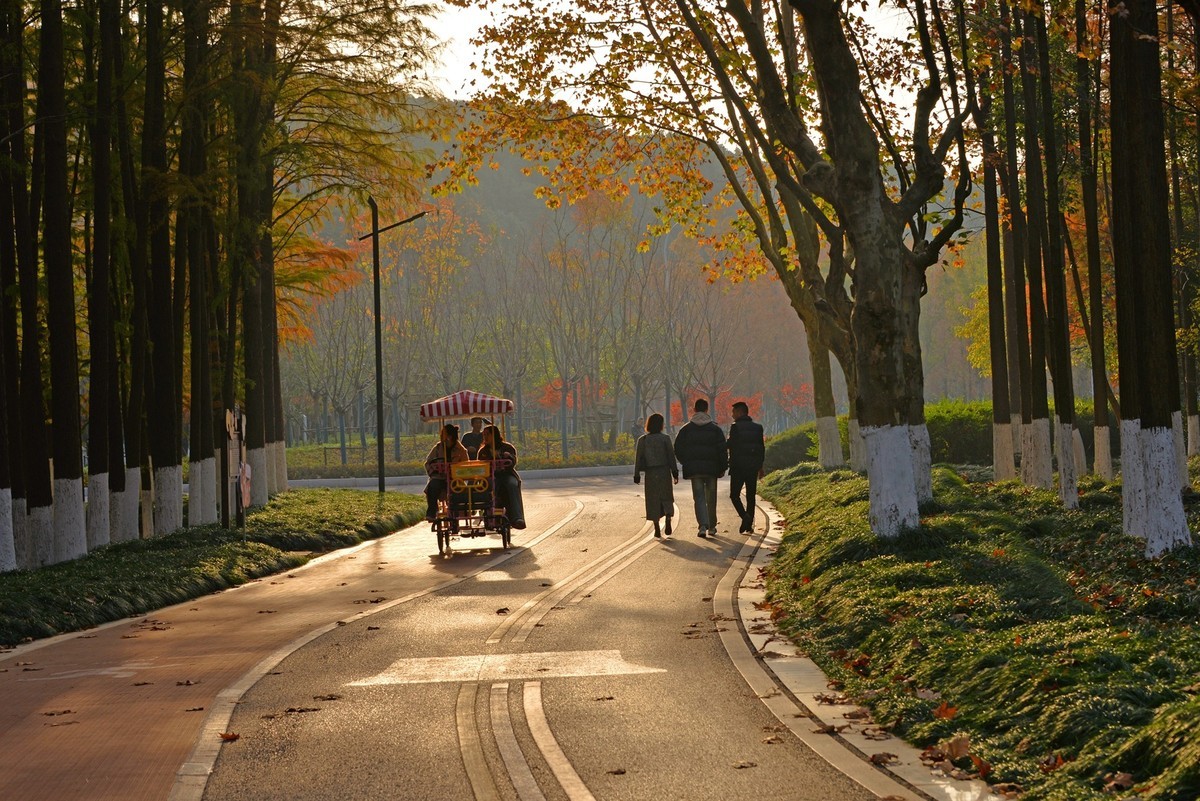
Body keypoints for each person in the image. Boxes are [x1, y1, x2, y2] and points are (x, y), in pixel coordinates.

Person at [673, 398, 727, 538]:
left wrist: (686, 462)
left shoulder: (686, 429)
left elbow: (677, 448)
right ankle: (712, 526)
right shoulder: (715, 429)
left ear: (695, 410)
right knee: (711, 497)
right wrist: (722, 467)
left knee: (699, 497)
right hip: (712, 469)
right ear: (707, 409)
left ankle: (702, 526)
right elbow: (722, 450)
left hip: (694, 470)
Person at [634, 413, 679, 538]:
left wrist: (636, 474)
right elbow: (671, 456)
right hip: (664, 471)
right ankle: (668, 518)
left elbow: (638, 458)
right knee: (666, 496)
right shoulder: (665, 438)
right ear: (661, 425)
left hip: (650, 473)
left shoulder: (643, 440)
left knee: (652, 499)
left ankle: (656, 527)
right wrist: (675, 472)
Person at [476, 424, 526, 529]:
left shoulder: (507, 447)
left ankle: (517, 518)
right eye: (484, 435)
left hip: (507, 474)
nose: (485, 437)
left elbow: (513, 462)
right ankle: (489, 516)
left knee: (512, 484)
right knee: (487, 487)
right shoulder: (482, 451)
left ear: (495, 435)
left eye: (487, 434)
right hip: (490, 476)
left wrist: (508, 457)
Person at [727, 400, 766, 533]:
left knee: (734, 495)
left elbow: (732, 446)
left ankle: (745, 517)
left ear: (739, 412)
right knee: (750, 496)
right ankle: (749, 525)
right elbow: (761, 448)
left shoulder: (735, 427)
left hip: (738, 467)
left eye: (733, 412)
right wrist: (760, 467)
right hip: (753, 467)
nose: (732, 415)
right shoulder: (758, 428)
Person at [423, 423, 469, 522]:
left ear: (449, 436)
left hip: (455, 479)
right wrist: (434, 472)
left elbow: (466, 466)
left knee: (457, 490)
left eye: (443, 433)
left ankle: (458, 511)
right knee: (432, 486)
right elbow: (428, 463)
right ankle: (432, 512)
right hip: (439, 477)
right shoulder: (438, 448)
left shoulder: (461, 450)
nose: (441, 435)